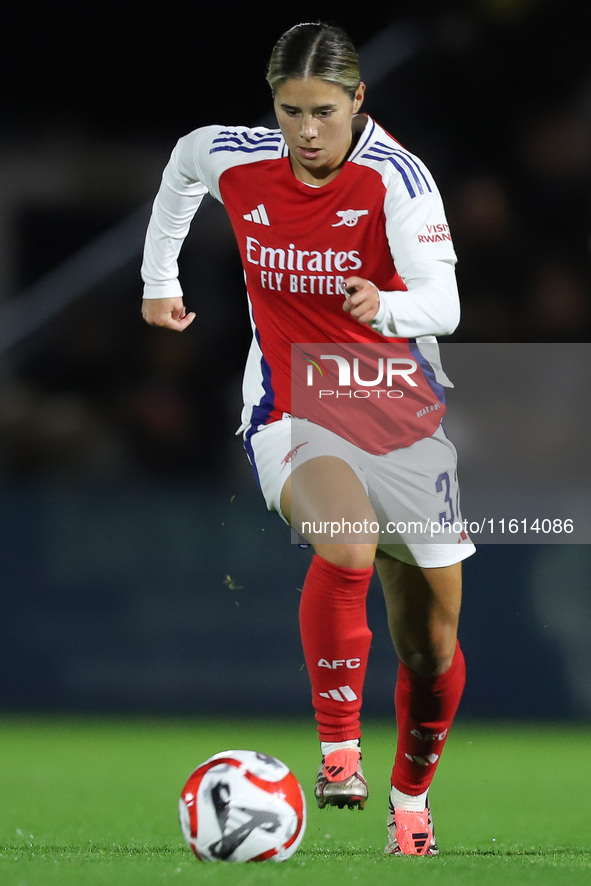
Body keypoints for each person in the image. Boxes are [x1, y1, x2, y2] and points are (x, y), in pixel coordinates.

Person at [141, 22, 475, 857]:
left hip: (398, 409)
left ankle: (410, 802)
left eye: (324, 110)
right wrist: (158, 279)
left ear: (358, 101)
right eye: (290, 111)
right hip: (293, 401)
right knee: (347, 541)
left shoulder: (398, 180)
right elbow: (184, 164)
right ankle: (336, 754)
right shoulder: (236, 156)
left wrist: (387, 308)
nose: (307, 131)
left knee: (430, 648)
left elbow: (446, 304)